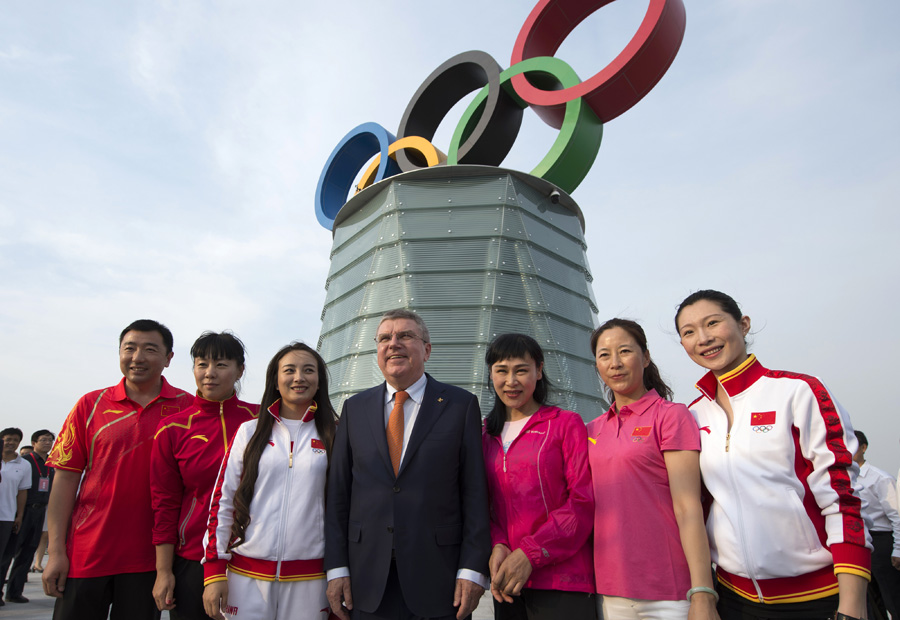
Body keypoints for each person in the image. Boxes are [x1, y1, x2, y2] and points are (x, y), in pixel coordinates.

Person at [675, 290, 870, 620]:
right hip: (734, 600)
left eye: (713, 323)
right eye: (689, 332)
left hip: (819, 596)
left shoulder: (797, 391)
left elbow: (841, 497)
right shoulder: (692, 416)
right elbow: (697, 505)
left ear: (743, 324)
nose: (704, 338)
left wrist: (852, 605)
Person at [325, 308, 490, 620]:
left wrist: (472, 569)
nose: (393, 343)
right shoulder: (353, 409)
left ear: (426, 349)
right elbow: (338, 496)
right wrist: (336, 568)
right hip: (366, 579)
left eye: (405, 336)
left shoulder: (460, 405)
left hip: (440, 580)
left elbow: (475, 493)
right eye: (385, 338)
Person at [44, 319, 193, 620]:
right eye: (130, 348)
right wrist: (56, 552)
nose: (138, 357)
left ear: (168, 358)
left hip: (150, 560)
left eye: (150, 349)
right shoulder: (90, 404)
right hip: (86, 554)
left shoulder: (187, 409)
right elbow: (65, 481)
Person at [588, 319, 718, 620]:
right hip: (610, 591)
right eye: (604, 355)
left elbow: (688, 506)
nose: (615, 363)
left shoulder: (672, 417)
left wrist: (702, 591)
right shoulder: (591, 430)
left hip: (670, 592)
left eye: (625, 351)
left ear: (645, 357)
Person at [202, 342, 337, 620]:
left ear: (319, 381)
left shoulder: (336, 434)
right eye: (289, 370)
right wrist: (214, 571)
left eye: (308, 370)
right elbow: (223, 500)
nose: (299, 377)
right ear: (275, 380)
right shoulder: (249, 432)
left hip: (311, 579)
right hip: (246, 577)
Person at [481, 333, 594, 620]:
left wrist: (530, 554)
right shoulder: (483, 434)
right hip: (507, 580)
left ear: (539, 370)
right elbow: (482, 503)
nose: (511, 381)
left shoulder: (565, 424)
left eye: (521, 370)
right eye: (501, 371)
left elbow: (582, 501)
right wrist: (499, 544)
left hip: (562, 580)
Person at [151, 332, 259, 619]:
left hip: (255, 556)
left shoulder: (262, 422)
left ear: (240, 370)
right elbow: (165, 503)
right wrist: (164, 572)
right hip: (193, 561)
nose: (209, 373)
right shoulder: (172, 428)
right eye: (202, 364)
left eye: (221, 365)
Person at [1, 429, 54, 604]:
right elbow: (21, 491)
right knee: (9, 552)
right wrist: (19, 514)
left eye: (50, 440)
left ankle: (15, 591)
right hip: (22, 510)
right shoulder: (26, 461)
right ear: (34, 443)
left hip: (40, 511)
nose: (47, 443)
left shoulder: (51, 463)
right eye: (43, 440)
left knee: (28, 552)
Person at [852, 431, 900, 619]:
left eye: (854, 445)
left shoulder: (880, 478)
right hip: (860, 541)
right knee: (870, 601)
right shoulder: (845, 477)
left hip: (881, 541)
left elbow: (896, 516)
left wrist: (898, 550)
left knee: (892, 596)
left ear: (864, 448)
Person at [0, 427, 30, 608]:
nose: (11, 443)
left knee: (3, 557)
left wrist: (19, 515)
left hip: (6, 516)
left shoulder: (24, 465)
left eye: (15, 440)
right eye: (7, 439)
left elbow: (22, 492)